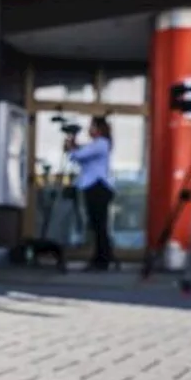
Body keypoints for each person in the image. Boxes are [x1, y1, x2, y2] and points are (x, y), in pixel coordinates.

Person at [65, 116, 116, 271]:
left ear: (99, 128)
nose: (89, 130)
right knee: (96, 224)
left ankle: (103, 259)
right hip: (93, 187)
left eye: (92, 126)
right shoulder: (97, 145)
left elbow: (80, 155)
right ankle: (100, 257)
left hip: (98, 187)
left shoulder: (101, 144)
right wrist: (73, 146)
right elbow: (79, 158)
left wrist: (72, 146)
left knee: (99, 224)